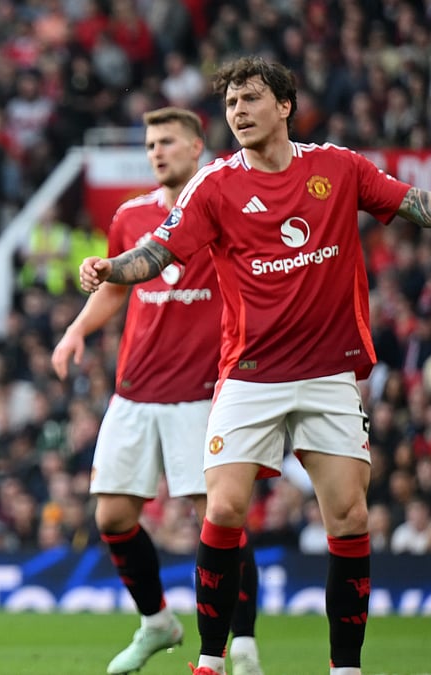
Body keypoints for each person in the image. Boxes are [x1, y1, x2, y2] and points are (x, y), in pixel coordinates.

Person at [79, 57, 431, 675]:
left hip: (327, 373)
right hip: (249, 375)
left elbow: (411, 204)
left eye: (249, 99)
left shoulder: (337, 168)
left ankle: (344, 667)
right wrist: (113, 268)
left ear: (284, 105)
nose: (238, 112)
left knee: (348, 515)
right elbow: (160, 248)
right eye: (231, 104)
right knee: (223, 509)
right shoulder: (214, 185)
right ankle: (212, 661)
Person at [51, 107, 263, 675]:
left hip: (201, 392)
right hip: (135, 390)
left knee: (218, 517)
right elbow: (118, 290)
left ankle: (241, 644)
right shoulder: (130, 216)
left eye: (167, 141)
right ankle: (156, 623)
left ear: (197, 147)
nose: (156, 152)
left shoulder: (225, 203)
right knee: (113, 517)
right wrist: (77, 328)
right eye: (149, 144)